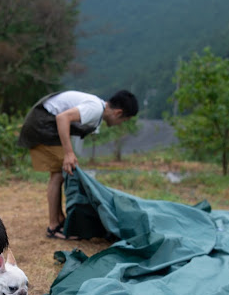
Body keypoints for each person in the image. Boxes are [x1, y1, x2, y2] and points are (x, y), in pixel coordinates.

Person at [18, 90, 139, 239]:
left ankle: (59, 219)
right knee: (57, 175)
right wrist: (69, 153)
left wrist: (70, 154)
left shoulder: (97, 110)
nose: (120, 124)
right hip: (42, 124)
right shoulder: (95, 108)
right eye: (124, 120)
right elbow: (63, 118)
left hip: (45, 123)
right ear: (118, 113)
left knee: (59, 173)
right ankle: (53, 226)